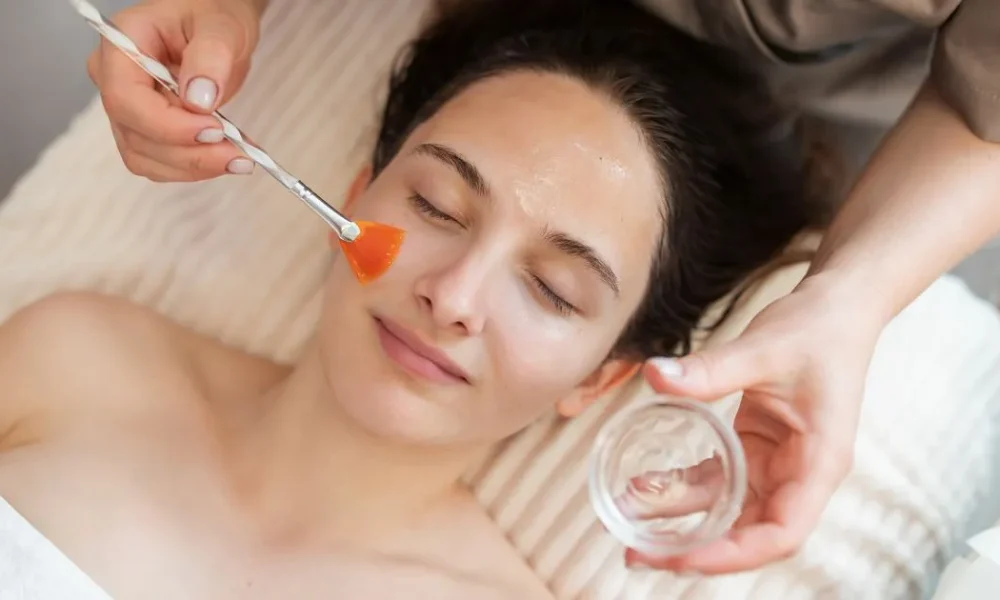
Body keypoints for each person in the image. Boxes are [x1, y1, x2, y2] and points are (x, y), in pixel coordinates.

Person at [82, 0, 1000, 577]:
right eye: (438, 205)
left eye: (557, 292)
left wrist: (848, 300)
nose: (455, 296)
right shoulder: (78, 362)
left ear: (603, 376)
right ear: (356, 194)